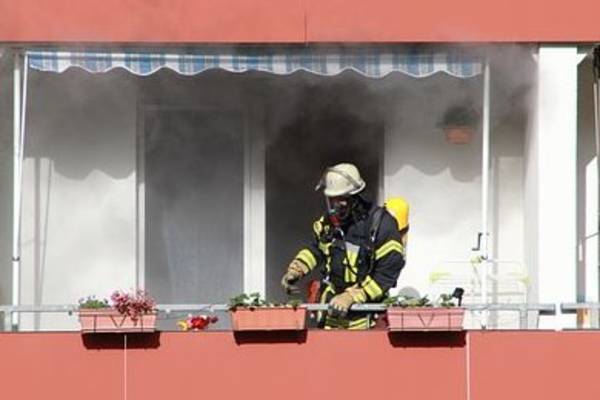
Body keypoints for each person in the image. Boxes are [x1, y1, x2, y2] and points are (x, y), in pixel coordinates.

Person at [281, 163, 406, 329]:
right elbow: (316, 249)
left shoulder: (381, 224)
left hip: (367, 316)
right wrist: (296, 269)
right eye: (331, 199)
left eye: (341, 199)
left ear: (355, 196)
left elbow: (387, 272)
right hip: (332, 312)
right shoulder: (329, 223)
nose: (335, 205)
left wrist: (352, 297)